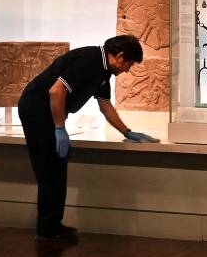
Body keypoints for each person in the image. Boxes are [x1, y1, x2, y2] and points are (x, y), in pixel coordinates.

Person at [18, 34, 159, 241]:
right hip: (37, 109)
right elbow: (56, 91)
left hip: (49, 113)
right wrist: (59, 129)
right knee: (49, 167)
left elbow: (105, 105)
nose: (127, 70)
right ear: (120, 56)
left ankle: (52, 225)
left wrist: (127, 132)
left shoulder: (104, 71)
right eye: (129, 64)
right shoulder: (89, 61)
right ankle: (47, 229)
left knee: (57, 166)